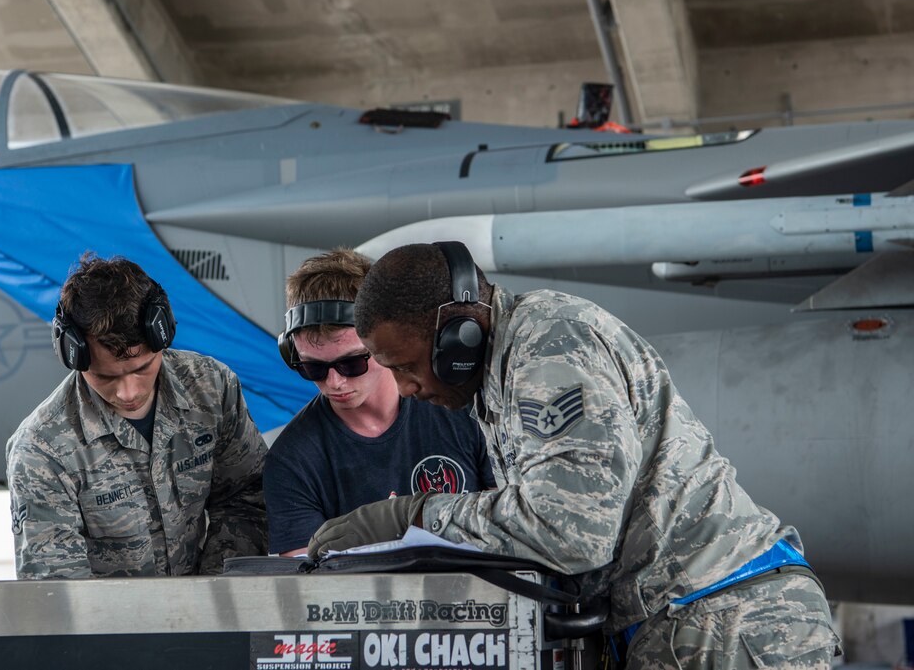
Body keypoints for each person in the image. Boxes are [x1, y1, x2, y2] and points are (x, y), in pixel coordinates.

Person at [310, 241, 841, 669]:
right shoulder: (502, 369)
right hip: (690, 623)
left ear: (457, 336)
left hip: (723, 626)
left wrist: (413, 516)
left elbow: (570, 529)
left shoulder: (551, 347)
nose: (403, 388)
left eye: (407, 366)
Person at [6, 253, 268, 578]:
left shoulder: (212, 390)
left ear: (162, 337)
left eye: (142, 368)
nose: (128, 393)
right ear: (75, 355)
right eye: (105, 377)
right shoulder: (42, 450)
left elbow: (245, 499)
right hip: (109, 626)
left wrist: (212, 602)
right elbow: (57, 588)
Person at [265, 248, 495, 556]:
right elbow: (306, 583)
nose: (334, 383)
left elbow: (512, 524)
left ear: (381, 342)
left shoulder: (460, 407)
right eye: (313, 369)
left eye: (351, 364)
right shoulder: (292, 460)